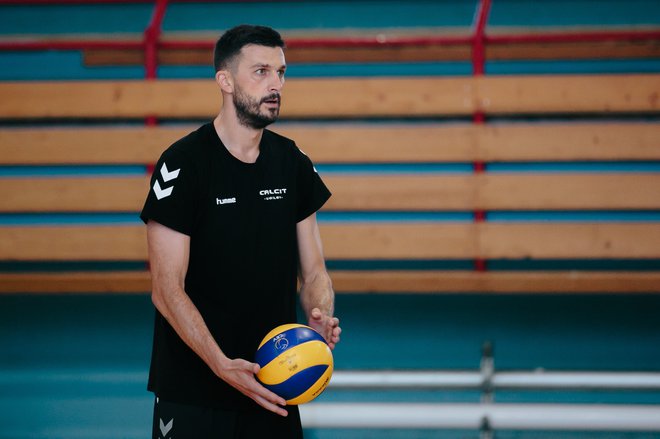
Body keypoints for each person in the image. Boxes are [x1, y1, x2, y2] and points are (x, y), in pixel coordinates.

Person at [140, 24, 341, 439]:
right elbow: (166, 288)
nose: (275, 84)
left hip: (274, 387)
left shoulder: (292, 162)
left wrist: (318, 314)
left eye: (281, 72)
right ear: (225, 80)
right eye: (261, 71)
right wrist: (221, 364)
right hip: (194, 389)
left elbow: (315, 270)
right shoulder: (182, 165)